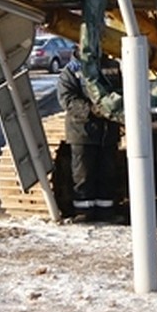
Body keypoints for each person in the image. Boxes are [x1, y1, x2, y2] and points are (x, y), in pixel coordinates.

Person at [56, 55, 121, 222]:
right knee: (83, 174)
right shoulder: (72, 70)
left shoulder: (112, 66)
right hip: (82, 131)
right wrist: (92, 109)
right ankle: (84, 213)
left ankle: (106, 212)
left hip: (107, 132)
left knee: (108, 173)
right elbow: (67, 99)